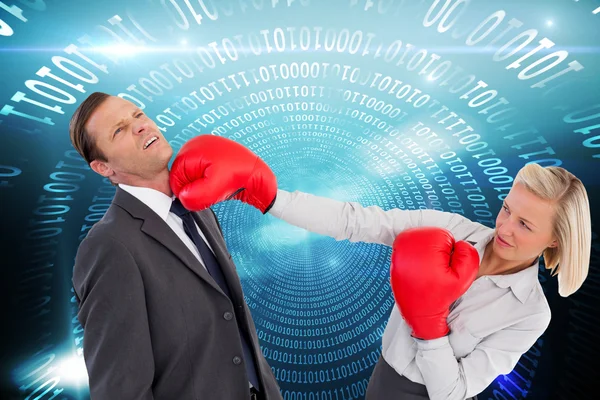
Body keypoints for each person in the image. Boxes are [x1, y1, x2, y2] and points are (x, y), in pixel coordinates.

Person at [169, 137, 591, 400]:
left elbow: (454, 392)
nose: (505, 227)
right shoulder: (451, 230)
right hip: (383, 381)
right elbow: (359, 221)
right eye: (506, 209)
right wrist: (271, 197)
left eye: (525, 224)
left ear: (555, 240)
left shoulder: (530, 313)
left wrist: (430, 326)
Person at [69, 92, 282, 400]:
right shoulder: (108, 246)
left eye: (138, 115)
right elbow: (120, 389)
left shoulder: (197, 206)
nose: (139, 126)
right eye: (119, 130)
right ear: (103, 167)